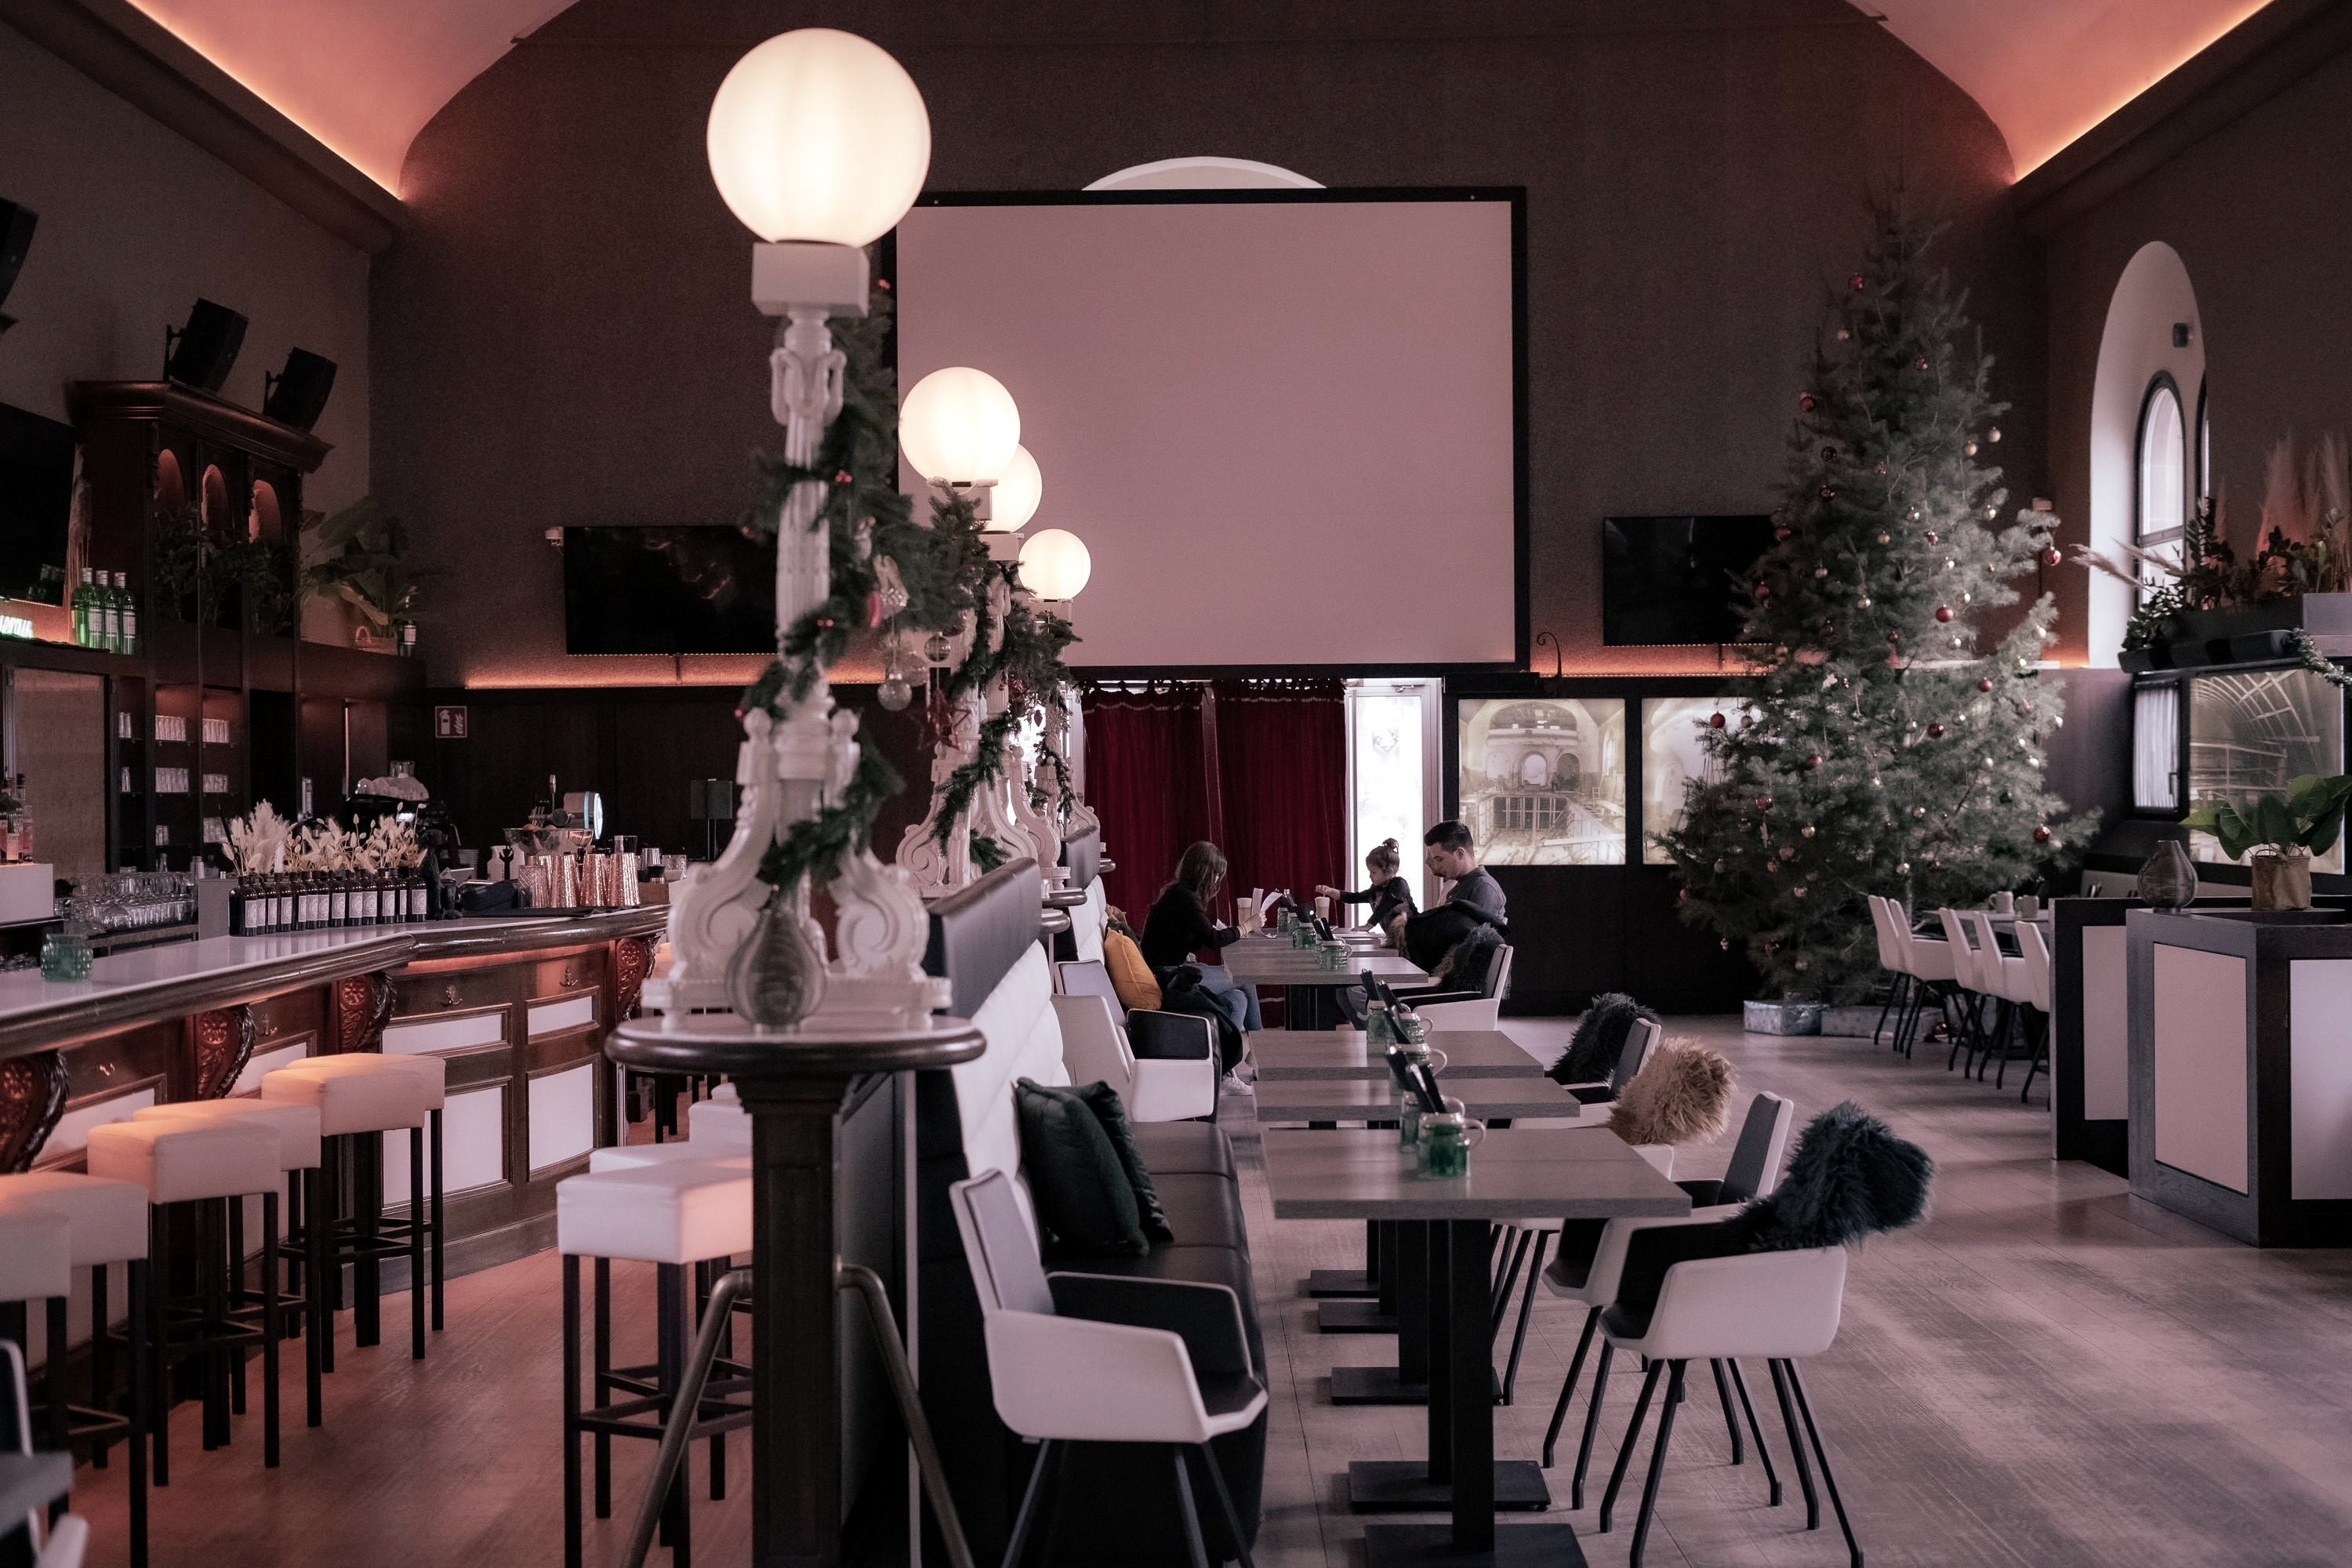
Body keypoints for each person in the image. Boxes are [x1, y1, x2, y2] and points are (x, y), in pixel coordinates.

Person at [1141, 840, 1263, 1033]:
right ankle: (1262, 1044)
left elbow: (1183, 937)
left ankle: (1230, 1051)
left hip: (1170, 972)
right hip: (1167, 978)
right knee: (1246, 978)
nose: (1217, 880)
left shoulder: (1177, 893)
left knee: (1237, 999)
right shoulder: (1185, 898)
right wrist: (1247, 926)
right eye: (1216, 875)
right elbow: (1214, 940)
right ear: (1205, 873)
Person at [1316, 839, 1417, 934]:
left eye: (1374, 872)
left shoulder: (1399, 885)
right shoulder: (1375, 890)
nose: (1370, 876)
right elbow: (1354, 897)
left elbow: (1386, 904)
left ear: (1390, 872)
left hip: (1414, 936)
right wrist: (1330, 891)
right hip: (1397, 939)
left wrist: (1369, 925)